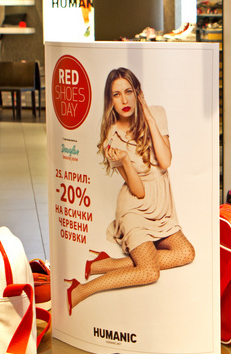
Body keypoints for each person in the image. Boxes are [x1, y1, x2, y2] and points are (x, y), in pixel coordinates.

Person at [65, 68, 194, 314]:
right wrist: (124, 159)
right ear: (110, 100)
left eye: (128, 92)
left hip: (162, 209)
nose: (124, 100)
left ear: (137, 93)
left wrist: (148, 115)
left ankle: (101, 264)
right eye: (116, 95)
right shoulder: (111, 139)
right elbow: (138, 191)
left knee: (186, 252)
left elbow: (165, 161)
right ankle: (80, 289)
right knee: (149, 271)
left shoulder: (157, 113)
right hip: (134, 208)